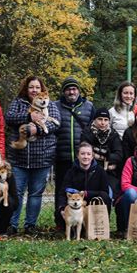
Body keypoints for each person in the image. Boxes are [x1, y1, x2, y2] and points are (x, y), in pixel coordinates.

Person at [6, 76, 60, 234]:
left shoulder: (51, 104)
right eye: (31, 87)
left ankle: (30, 225)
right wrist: (28, 117)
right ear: (26, 88)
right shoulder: (18, 102)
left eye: (37, 87)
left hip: (42, 157)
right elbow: (9, 118)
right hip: (19, 157)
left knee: (36, 194)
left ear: (42, 90)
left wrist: (39, 129)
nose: (34, 90)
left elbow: (56, 121)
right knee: (16, 192)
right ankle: (12, 225)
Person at [53, 76, 95, 229]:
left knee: (81, 191)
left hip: (82, 159)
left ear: (78, 91)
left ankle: (83, 223)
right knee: (61, 190)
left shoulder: (89, 106)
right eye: (68, 89)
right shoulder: (54, 106)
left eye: (74, 89)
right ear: (64, 91)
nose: (72, 92)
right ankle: (60, 221)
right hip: (62, 155)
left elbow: (93, 130)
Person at [58, 142, 112, 228]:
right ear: (77, 155)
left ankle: (103, 226)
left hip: (93, 204)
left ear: (92, 156)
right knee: (61, 222)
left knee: (105, 196)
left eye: (88, 154)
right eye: (82, 154)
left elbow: (105, 192)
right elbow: (63, 192)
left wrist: (87, 193)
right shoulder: (71, 172)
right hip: (75, 207)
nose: (85, 157)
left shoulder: (100, 171)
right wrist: (62, 208)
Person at [81, 107, 123, 195]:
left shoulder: (113, 135)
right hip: (89, 171)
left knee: (108, 193)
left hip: (109, 173)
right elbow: (84, 153)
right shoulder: (87, 133)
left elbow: (119, 155)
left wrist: (101, 156)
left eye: (106, 120)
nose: (103, 123)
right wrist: (106, 157)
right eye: (100, 119)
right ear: (94, 120)